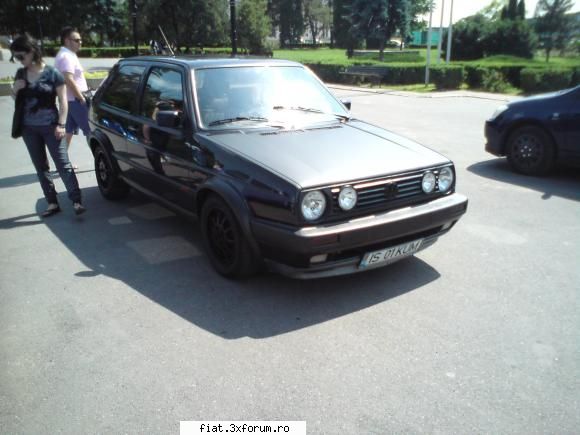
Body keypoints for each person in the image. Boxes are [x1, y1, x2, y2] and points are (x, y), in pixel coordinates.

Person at [10, 35, 85, 217]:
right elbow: (17, 99)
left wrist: (61, 124)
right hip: (29, 128)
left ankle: (76, 200)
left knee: (63, 164)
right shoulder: (21, 74)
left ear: (32, 52)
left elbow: (63, 101)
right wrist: (15, 90)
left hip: (52, 127)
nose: (19, 61)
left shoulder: (52, 74)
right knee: (40, 167)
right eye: (16, 58)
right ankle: (52, 202)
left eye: (21, 57)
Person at [54, 27, 90, 152]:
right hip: (75, 100)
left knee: (67, 132)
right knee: (91, 131)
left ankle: (63, 163)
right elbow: (68, 79)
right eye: (77, 40)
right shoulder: (66, 57)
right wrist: (81, 98)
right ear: (66, 41)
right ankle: (103, 161)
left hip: (69, 100)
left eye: (80, 40)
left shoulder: (68, 55)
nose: (80, 42)